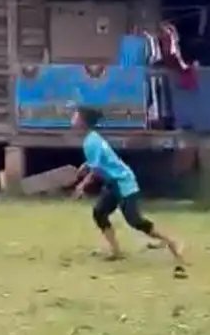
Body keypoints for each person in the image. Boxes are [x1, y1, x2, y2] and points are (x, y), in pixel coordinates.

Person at [71, 106, 187, 275]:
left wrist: (82, 186)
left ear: (82, 122)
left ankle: (171, 241)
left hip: (123, 182)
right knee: (99, 212)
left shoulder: (91, 141)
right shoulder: (91, 139)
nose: (72, 120)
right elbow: (102, 160)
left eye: (75, 117)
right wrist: (85, 166)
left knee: (135, 221)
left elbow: (96, 170)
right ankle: (116, 251)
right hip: (113, 183)